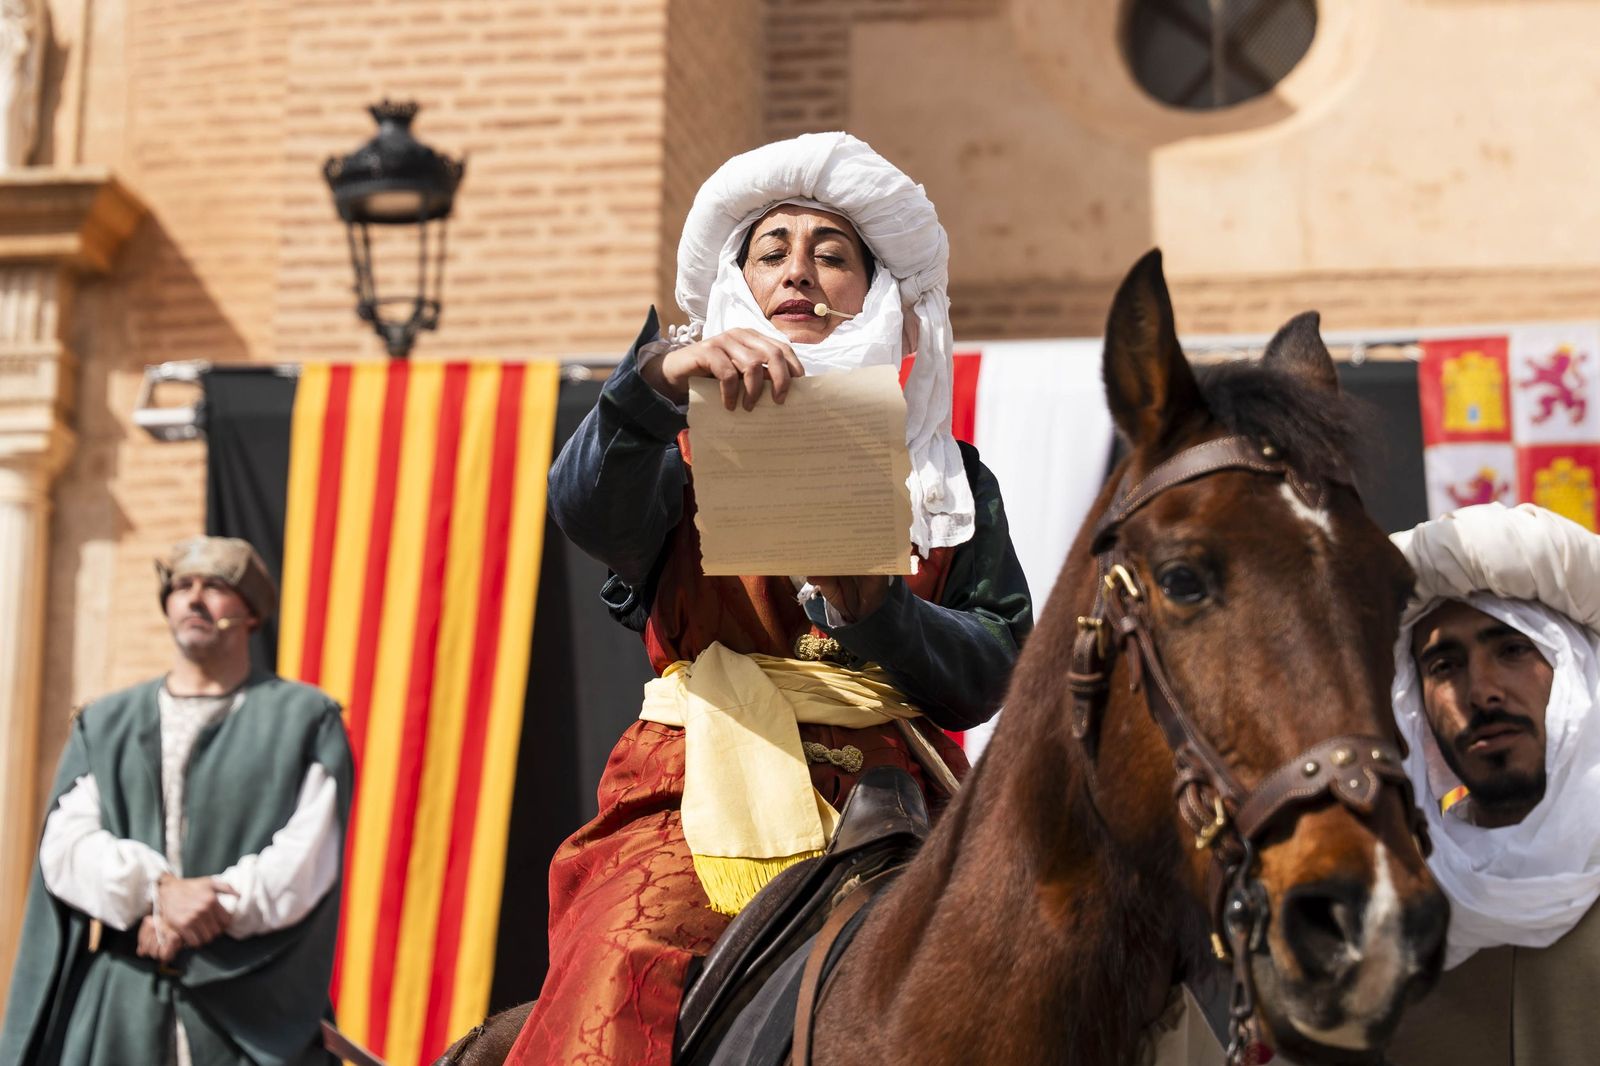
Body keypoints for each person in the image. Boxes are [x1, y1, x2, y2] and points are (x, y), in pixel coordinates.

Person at [505, 132, 1032, 1064]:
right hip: (695, 788)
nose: (801, 272)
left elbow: (993, 664)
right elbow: (585, 509)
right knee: (624, 959)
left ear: (873, 295)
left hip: (895, 793)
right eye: (773, 251)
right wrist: (657, 381)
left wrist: (881, 613)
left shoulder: (949, 479)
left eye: (833, 255)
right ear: (740, 286)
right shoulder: (678, 446)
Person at [0, 536, 354, 1066]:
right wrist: (156, 891)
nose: (193, 598)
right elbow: (67, 847)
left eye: (215, 586)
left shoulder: (304, 719)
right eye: (181, 586)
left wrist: (209, 904)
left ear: (251, 612)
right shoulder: (108, 722)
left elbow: (303, 861)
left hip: (252, 1013)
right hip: (121, 1006)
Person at [1379, 502, 1600, 1065]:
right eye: (1444, 666)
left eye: (1513, 649)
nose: (1481, 693)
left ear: (1577, 670)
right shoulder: (1383, 922)